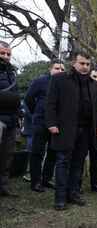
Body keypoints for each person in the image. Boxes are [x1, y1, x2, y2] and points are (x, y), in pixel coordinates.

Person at [46, 51, 97, 210]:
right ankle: (60, 198)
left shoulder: (93, 84)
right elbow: (50, 103)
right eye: (82, 63)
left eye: (87, 64)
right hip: (64, 129)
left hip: (85, 130)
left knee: (78, 163)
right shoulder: (59, 79)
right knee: (63, 162)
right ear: (73, 63)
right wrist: (51, 123)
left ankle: (73, 193)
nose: (85, 67)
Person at [25, 60, 65, 192]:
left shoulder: (64, 85)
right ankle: (35, 181)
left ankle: (46, 179)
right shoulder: (40, 81)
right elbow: (29, 98)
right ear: (50, 69)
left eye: (62, 69)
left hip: (57, 124)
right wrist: (36, 112)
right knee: (37, 152)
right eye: (57, 68)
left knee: (52, 153)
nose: (59, 71)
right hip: (41, 123)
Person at [0, 41, 20, 197]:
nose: (6, 56)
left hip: (11, 120)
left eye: (8, 54)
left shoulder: (12, 73)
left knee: (7, 155)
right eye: (2, 53)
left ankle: (3, 186)